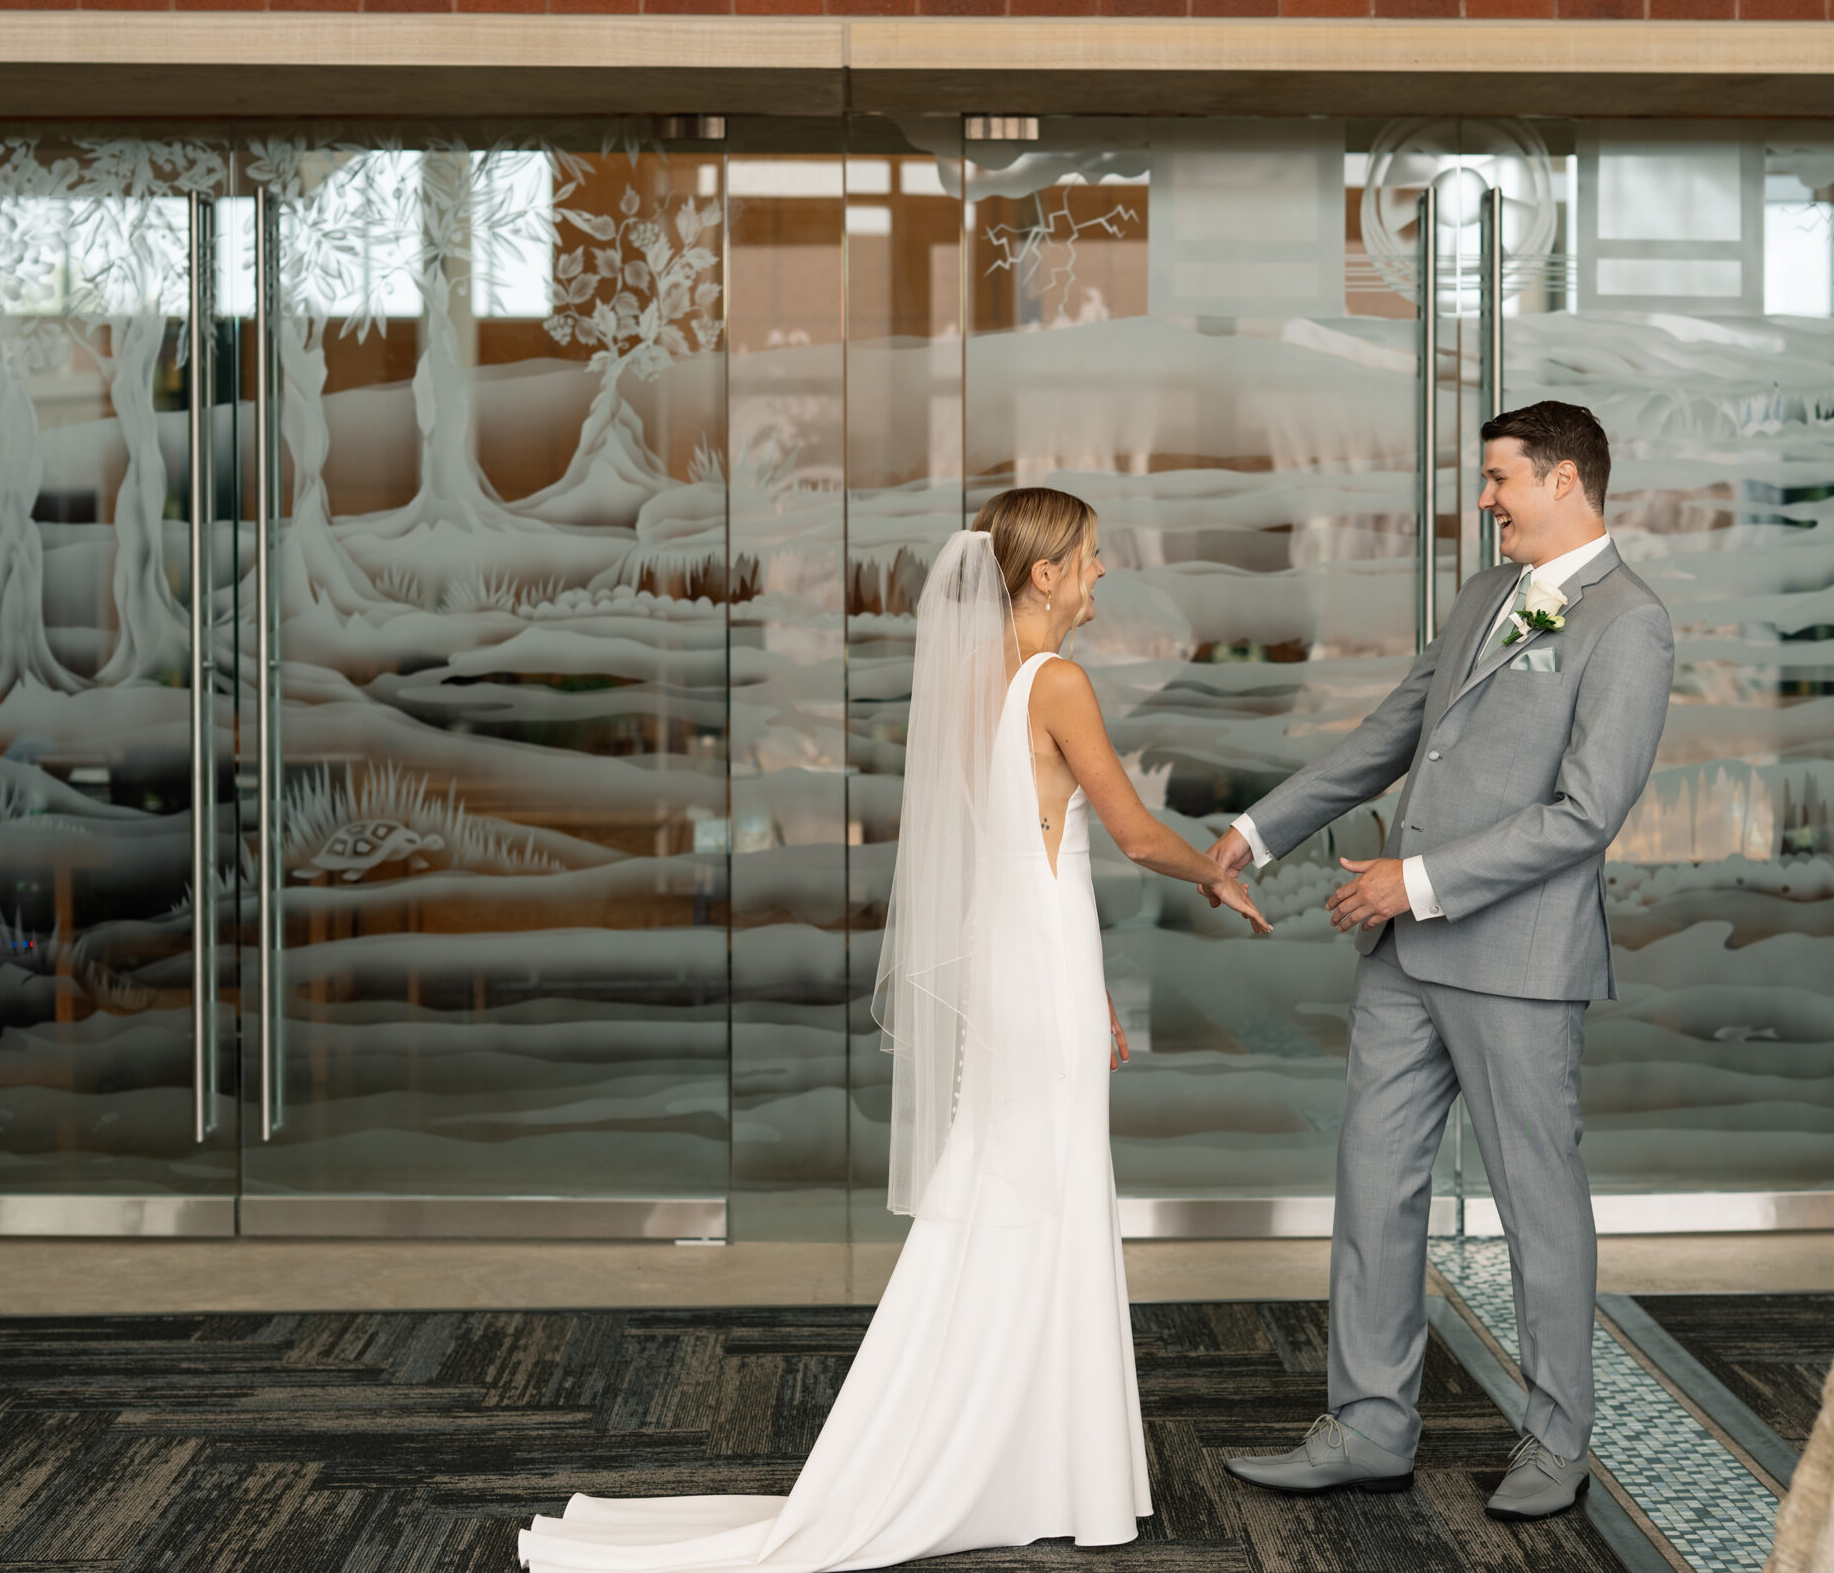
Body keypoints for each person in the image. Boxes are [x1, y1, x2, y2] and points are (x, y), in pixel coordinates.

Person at [517, 488, 1271, 1572]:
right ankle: (1031, 1461)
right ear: (1044, 574)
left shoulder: (969, 684)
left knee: (1011, 1183)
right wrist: (1221, 877)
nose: (1104, 572)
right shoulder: (1053, 680)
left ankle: (1014, 1453)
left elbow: (1021, 857)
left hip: (1024, 961)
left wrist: (1089, 987)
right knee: (1040, 1187)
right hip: (1037, 967)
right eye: (1092, 558)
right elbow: (1132, 833)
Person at [1209, 401, 1673, 1523]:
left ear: (1563, 480)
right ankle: (1369, 1427)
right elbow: (1387, 736)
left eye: (1500, 479)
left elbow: (1584, 815)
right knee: (1373, 1182)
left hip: (1514, 959)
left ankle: (1556, 1442)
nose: (1484, 501)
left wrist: (1408, 883)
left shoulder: (1631, 624)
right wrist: (1254, 833)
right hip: (1404, 957)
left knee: (1537, 1206)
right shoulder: (1482, 599)